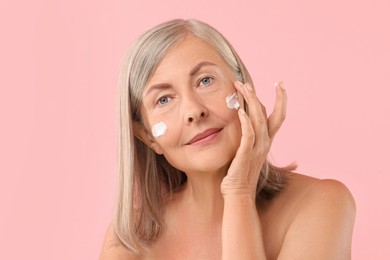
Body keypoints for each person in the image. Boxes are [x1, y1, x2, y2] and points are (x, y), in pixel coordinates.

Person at [99, 19, 356, 259]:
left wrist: (238, 193)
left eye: (205, 80)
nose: (193, 111)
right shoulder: (131, 238)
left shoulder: (321, 204)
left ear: (244, 89)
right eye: (163, 99)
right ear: (146, 136)